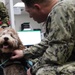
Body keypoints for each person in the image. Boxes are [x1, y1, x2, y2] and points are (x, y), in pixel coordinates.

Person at [11, 0, 75, 75]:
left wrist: (33, 69)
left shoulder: (61, 9)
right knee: (35, 62)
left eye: (29, 12)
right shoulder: (64, 7)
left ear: (37, 7)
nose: (30, 16)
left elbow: (57, 53)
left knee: (43, 72)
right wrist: (24, 53)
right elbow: (49, 42)